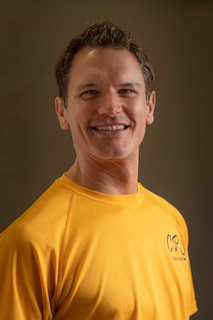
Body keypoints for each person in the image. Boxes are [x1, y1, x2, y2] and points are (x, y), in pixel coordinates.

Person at [0, 21, 198, 320]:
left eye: (127, 90)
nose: (110, 107)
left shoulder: (172, 221)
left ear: (150, 107)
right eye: (90, 92)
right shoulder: (29, 243)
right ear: (62, 111)